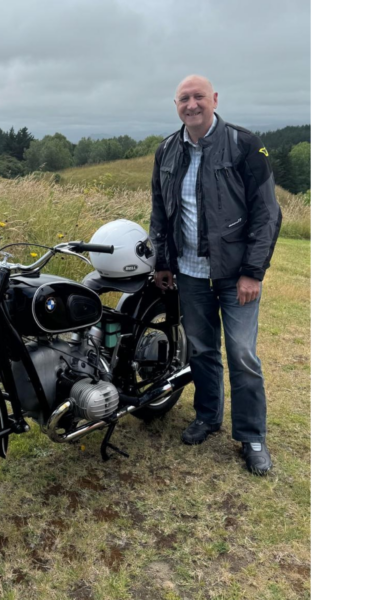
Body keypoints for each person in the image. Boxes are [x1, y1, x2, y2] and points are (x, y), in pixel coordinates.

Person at [149, 75, 282, 475]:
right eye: (183, 99)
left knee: (241, 354)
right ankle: (208, 416)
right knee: (202, 351)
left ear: (215, 100)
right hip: (189, 273)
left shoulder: (244, 144)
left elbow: (267, 213)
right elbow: (160, 208)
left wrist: (252, 273)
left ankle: (251, 436)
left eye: (199, 97)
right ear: (176, 105)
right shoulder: (167, 150)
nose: (191, 105)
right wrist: (162, 261)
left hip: (235, 274)